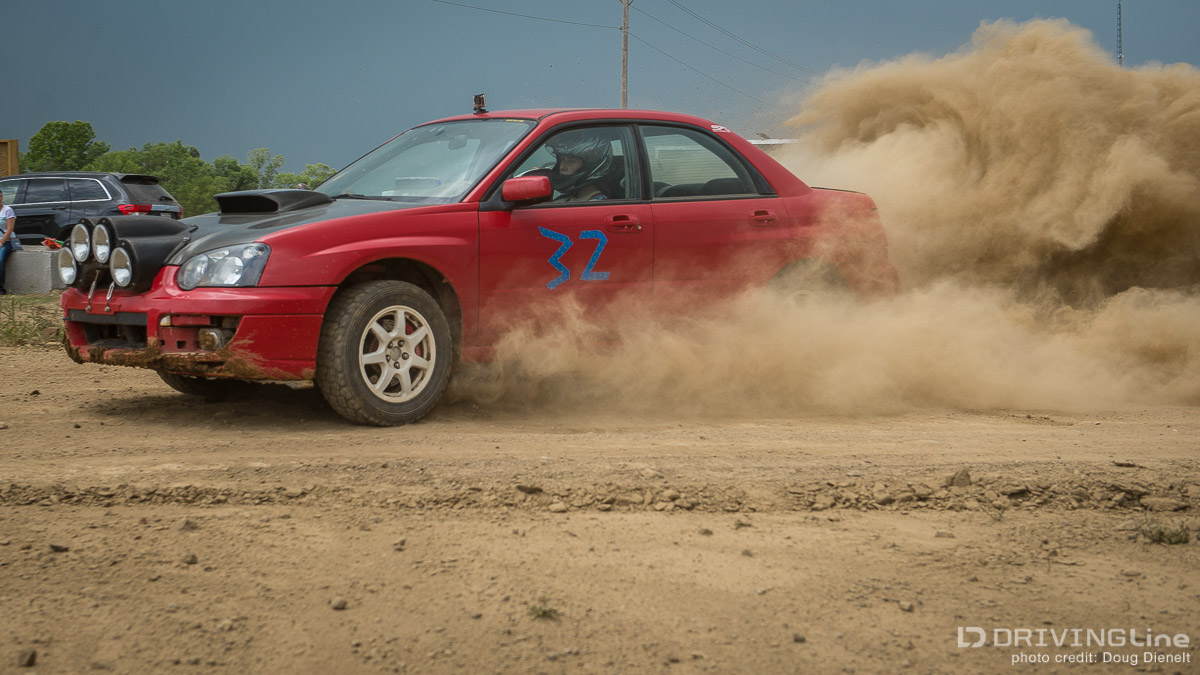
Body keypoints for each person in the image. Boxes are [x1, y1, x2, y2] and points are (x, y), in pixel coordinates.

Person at [546, 130, 615, 202]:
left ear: (589, 166)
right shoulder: (565, 199)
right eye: (562, 160)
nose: (562, 167)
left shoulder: (598, 205)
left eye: (571, 161)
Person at [0, 189, 19, 295]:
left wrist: (1, 243)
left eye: (0, 196)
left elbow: (9, 229)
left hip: (6, 241)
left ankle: (1, 288)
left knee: (0, 260)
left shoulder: (8, 210)